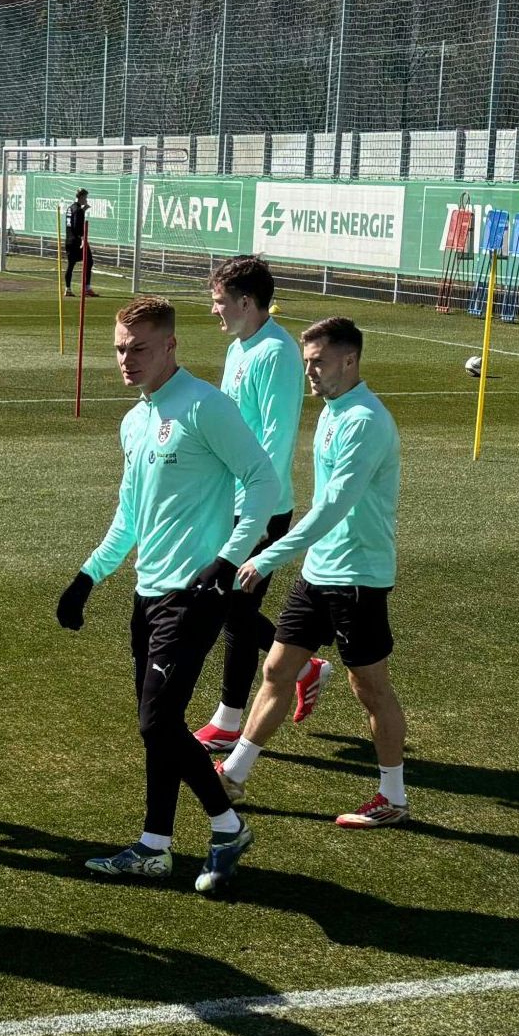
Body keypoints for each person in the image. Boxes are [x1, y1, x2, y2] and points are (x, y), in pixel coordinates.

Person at [55, 295, 277, 894]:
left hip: (194, 593)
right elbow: (129, 515)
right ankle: (155, 845)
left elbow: (265, 482)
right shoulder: (134, 419)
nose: (127, 360)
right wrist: (87, 576)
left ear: (171, 346)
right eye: (120, 349)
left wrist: (229, 559)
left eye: (139, 349)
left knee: (158, 723)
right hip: (146, 593)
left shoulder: (207, 406)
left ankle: (227, 826)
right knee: (160, 723)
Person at [218, 316, 409, 828]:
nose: (310, 372)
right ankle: (233, 775)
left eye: (318, 362)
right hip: (320, 570)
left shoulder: (365, 422)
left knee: (370, 687)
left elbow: (332, 508)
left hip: (358, 577)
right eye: (307, 363)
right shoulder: (331, 411)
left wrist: (268, 556)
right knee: (277, 670)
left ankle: (393, 797)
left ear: (350, 360)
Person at [193, 256, 306, 752]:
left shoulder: (277, 354)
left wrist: (256, 514)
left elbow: (277, 438)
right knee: (233, 607)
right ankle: (234, 714)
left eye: (220, 303)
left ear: (245, 302)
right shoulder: (241, 347)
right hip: (231, 497)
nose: (215, 312)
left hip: (261, 505)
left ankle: (235, 713)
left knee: (229, 604)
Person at [64, 188, 95, 298]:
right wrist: (83, 239)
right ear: (81, 197)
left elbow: (72, 222)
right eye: (85, 197)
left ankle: (67, 289)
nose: (86, 200)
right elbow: (77, 227)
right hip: (77, 242)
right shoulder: (78, 210)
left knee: (71, 265)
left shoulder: (70, 208)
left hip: (69, 240)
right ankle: (87, 288)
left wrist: (83, 210)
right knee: (89, 261)